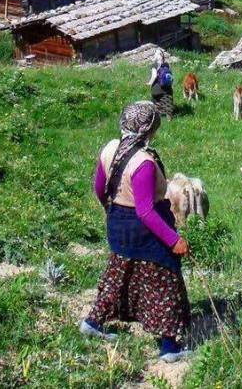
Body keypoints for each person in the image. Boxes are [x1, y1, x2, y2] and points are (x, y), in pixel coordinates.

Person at [81, 102, 192, 362]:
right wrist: (174, 240)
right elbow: (145, 211)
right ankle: (169, 348)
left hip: (117, 222)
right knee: (165, 279)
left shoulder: (110, 148)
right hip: (144, 229)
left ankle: (94, 322)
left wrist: (113, 213)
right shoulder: (143, 163)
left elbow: (100, 188)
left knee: (119, 272)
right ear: (149, 128)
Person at [148, 49, 175, 118]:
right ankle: (169, 118)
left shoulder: (154, 65)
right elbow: (170, 76)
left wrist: (149, 83)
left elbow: (154, 76)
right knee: (168, 105)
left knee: (156, 104)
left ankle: (158, 118)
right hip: (167, 89)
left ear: (155, 57)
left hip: (156, 90)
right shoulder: (167, 64)